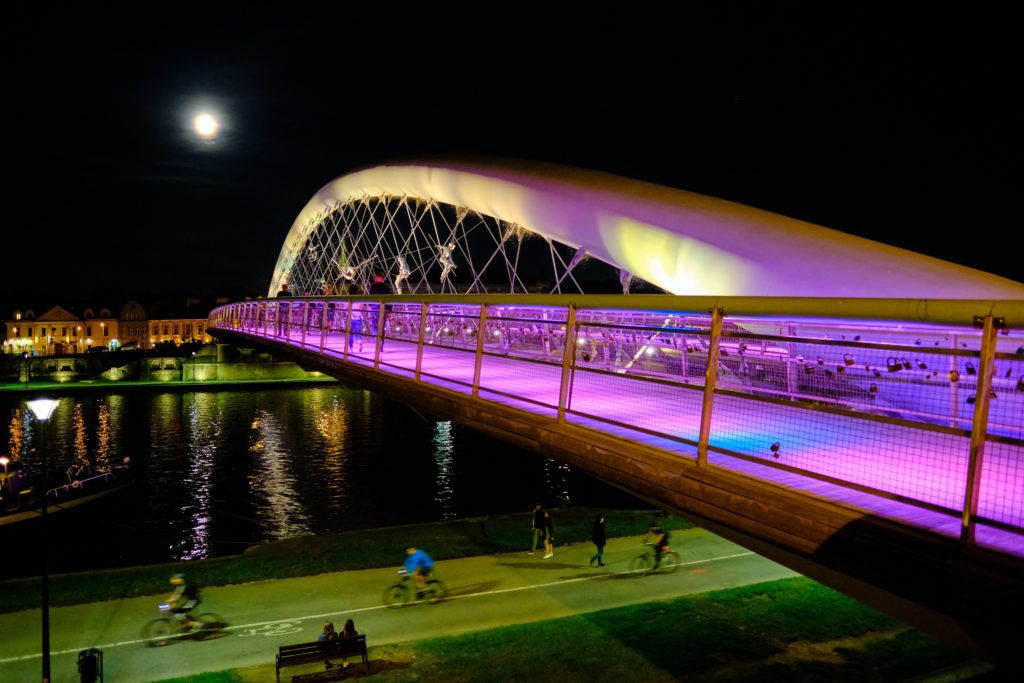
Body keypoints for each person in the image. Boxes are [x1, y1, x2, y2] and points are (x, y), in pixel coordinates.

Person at [367, 270, 393, 349]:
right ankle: (381, 343)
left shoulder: (373, 287)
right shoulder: (386, 288)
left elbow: (370, 299)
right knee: (382, 327)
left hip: (375, 309)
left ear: (378, 278)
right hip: (384, 309)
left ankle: (377, 341)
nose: (374, 278)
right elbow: (390, 300)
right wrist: (389, 311)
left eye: (375, 277)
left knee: (374, 326)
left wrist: (370, 306)